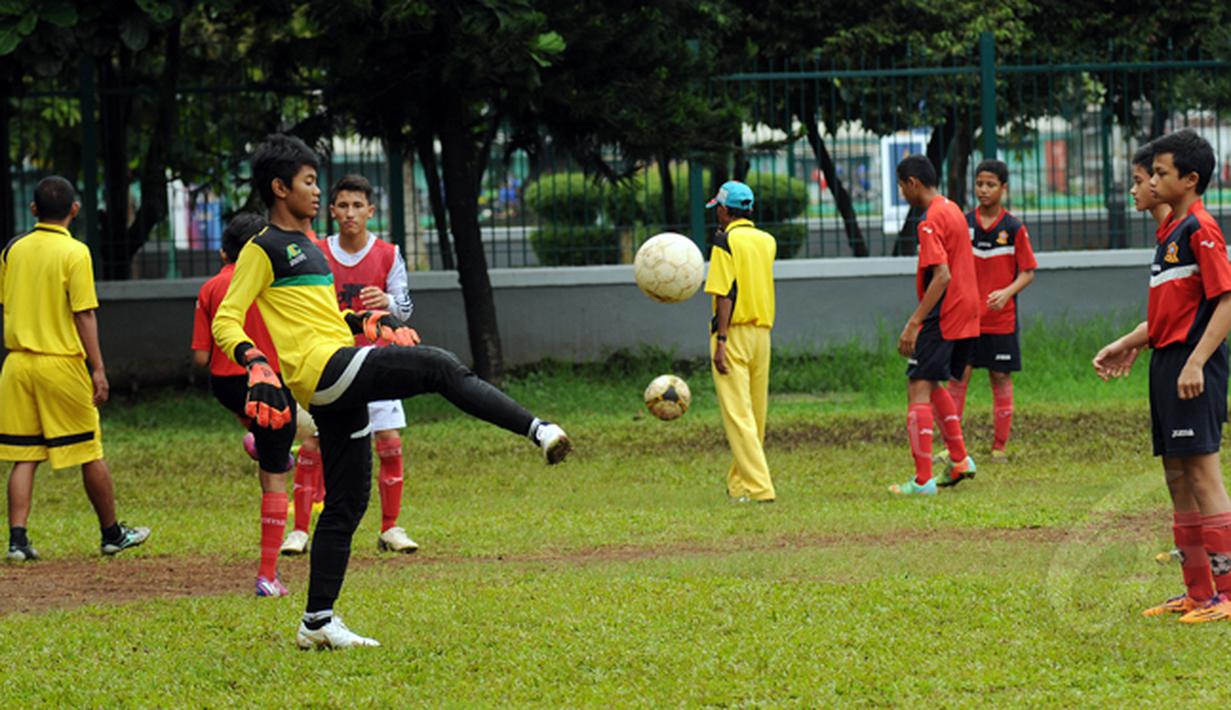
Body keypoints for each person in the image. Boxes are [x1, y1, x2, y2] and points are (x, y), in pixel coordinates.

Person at [213, 134, 572, 649]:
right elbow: (228, 319)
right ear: (278, 187)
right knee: (440, 367)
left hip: (334, 374)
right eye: (309, 182)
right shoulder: (262, 247)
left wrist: (366, 318)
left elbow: (321, 316)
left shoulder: (311, 248)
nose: (319, 193)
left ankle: (316, 621)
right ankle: (539, 429)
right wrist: (256, 364)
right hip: (324, 371)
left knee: (346, 503)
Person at [1094, 128, 1231, 622]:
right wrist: (1128, 343)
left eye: (1160, 173)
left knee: (1202, 473)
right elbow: (1170, 315)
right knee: (1176, 477)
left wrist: (1196, 360)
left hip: (1194, 365)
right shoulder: (1171, 233)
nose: (1151, 182)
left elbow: (1226, 300)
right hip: (1168, 364)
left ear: (1190, 180)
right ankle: (1198, 591)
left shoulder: (1201, 228)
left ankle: (1228, 593)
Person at [0, 176, 150, 560]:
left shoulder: (11, 251)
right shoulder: (76, 253)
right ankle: (112, 533)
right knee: (89, 450)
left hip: (16, 364)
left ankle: (17, 540)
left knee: (24, 455)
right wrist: (97, 368)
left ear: (33, 209)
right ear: (75, 210)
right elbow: (84, 314)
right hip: (60, 363)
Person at [280, 174, 419, 556]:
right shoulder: (316, 251)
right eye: (343, 205)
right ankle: (300, 530)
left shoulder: (389, 254)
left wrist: (387, 303)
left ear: (371, 211)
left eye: (358, 206)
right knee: (313, 443)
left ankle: (390, 528)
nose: (350, 213)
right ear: (332, 210)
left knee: (389, 442)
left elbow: (405, 310)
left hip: (378, 362)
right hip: (329, 361)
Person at [191, 212, 296, 596]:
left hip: (227, 385)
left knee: (267, 438)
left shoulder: (210, 288)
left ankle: (257, 437)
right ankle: (268, 576)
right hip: (269, 383)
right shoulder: (275, 283)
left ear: (224, 253)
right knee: (276, 471)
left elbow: (201, 359)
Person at [891, 155, 979, 496]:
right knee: (932, 381)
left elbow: (942, 275)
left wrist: (914, 322)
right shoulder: (953, 208)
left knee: (917, 386)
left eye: (901, 186)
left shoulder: (928, 221)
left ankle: (923, 480)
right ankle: (959, 460)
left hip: (945, 312)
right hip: (966, 311)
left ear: (913, 183)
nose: (902, 193)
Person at [947, 160, 1036, 460]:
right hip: (967, 319)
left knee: (1000, 377)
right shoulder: (963, 223)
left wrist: (1006, 292)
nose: (983, 190)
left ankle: (999, 446)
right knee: (958, 378)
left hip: (1001, 320)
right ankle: (952, 446)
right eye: (980, 184)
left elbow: (1028, 272)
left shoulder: (1013, 228)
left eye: (990, 185)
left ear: (1003, 188)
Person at [704, 180, 776, 503]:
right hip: (763, 335)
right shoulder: (767, 241)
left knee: (738, 415)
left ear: (723, 210)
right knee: (755, 416)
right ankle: (739, 485)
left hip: (732, 333)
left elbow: (725, 293)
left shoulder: (724, 240)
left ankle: (760, 488)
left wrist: (721, 340)